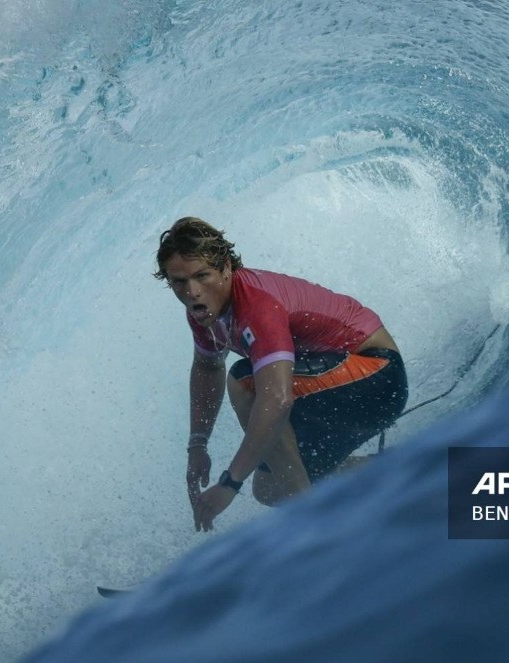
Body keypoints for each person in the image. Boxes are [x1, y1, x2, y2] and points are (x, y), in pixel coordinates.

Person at [154, 217, 408, 531]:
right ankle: (400, 467)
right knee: (270, 487)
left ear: (226, 270)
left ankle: (314, 527)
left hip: (377, 376)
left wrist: (229, 484)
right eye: (179, 282)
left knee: (245, 382)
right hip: (329, 389)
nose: (191, 291)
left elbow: (276, 399)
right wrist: (197, 446)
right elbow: (208, 367)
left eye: (202, 276)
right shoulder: (204, 311)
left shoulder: (257, 306)